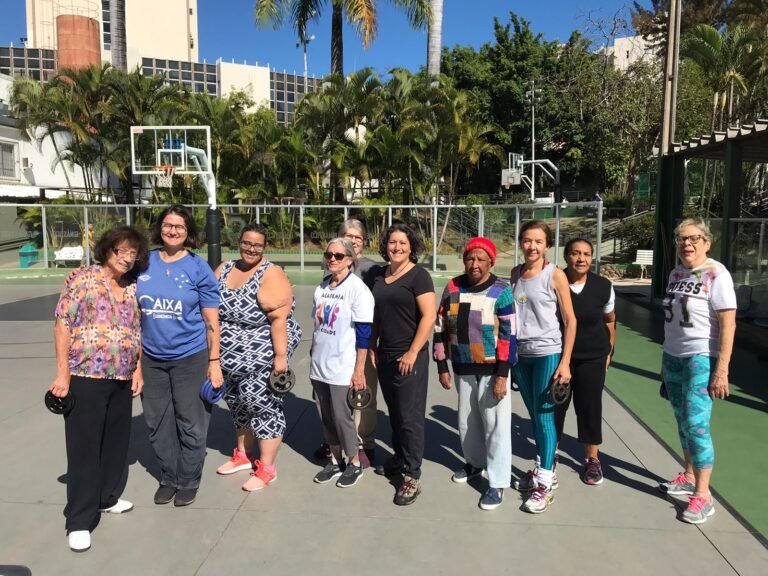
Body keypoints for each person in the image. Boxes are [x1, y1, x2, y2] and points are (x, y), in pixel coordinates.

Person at [50, 226, 148, 552]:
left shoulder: (131, 287)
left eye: (132, 253)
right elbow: (63, 323)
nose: (126, 258)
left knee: (115, 443)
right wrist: (62, 374)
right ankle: (79, 519)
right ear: (107, 250)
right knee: (84, 448)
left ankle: (106, 498)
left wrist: (137, 370)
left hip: (121, 378)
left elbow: (136, 332)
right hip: (85, 376)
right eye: (120, 251)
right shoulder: (83, 279)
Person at [137, 204, 222, 507]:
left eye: (180, 227)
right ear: (160, 228)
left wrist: (214, 363)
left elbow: (212, 321)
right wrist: (136, 363)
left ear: (189, 233)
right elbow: (133, 315)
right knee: (157, 422)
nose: (173, 231)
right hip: (151, 359)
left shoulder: (198, 268)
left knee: (190, 421)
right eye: (168, 225)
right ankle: (168, 477)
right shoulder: (144, 263)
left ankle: (188, 479)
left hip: (190, 357)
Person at [658, 218, 736, 524]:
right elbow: (671, 321)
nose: (686, 244)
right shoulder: (676, 273)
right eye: (681, 239)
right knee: (681, 419)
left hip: (700, 358)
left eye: (693, 239)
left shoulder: (716, 273)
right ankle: (689, 475)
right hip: (673, 356)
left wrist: (722, 370)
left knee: (697, 423)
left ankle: (703, 495)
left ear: (707, 242)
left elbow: (728, 324)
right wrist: (664, 363)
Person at [214, 224, 302, 491]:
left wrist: (280, 358)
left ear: (264, 247)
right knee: (239, 406)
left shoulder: (270, 273)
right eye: (246, 243)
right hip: (229, 358)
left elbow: (278, 319)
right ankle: (242, 455)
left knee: (262, 407)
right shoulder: (225, 268)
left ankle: (267, 467)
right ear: (238, 242)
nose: (251, 249)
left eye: (257, 245)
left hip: (260, 357)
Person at [434, 237, 517, 511]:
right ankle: (475, 464)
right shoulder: (453, 287)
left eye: (481, 259)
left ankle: (498, 482)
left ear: (491, 262)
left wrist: (503, 374)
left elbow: (509, 335)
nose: (475, 264)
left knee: (496, 426)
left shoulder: (502, 290)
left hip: (494, 370)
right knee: (467, 422)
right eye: (470, 258)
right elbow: (440, 327)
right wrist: (442, 366)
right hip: (462, 368)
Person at [510, 220, 576, 514]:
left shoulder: (555, 275)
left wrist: (565, 362)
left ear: (547, 245)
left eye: (538, 241)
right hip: (521, 355)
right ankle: (542, 466)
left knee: (545, 417)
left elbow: (570, 321)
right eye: (527, 240)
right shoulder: (515, 273)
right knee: (534, 416)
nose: (532, 246)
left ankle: (545, 484)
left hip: (548, 352)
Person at [370, 223, 436, 505]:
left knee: (410, 417)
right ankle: (399, 457)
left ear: (412, 248)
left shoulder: (419, 277)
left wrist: (411, 352)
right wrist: (372, 346)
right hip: (384, 353)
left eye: (403, 243)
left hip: (410, 355)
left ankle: (412, 475)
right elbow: (374, 315)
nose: (397, 247)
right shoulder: (378, 276)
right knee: (395, 411)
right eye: (392, 242)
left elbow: (429, 317)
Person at [314, 219, 380, 468]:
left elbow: (374, 311)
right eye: (346, 235)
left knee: (361, 396)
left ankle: (364, 444)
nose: (352, 240)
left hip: (362, 343)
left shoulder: (373, 270)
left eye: (357, 237)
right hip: (335, 345)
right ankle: (337, 442)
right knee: (333, 400)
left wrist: (372, 343)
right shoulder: (332, 267)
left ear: (363, 241)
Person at [554, 238, 616, 486]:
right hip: (559, 357)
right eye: (576, 253)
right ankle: (550, 455)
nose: (581, 259)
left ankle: (592, 459)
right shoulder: (554, 282)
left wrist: (609, 352)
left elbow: (610, 321)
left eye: (587, 254)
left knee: (590, 408)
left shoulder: (603, 286)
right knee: (554, 407)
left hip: (593, 357)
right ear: (566, 256)